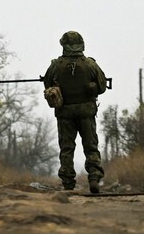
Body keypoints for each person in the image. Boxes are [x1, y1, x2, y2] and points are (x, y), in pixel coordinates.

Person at [43, 30, 108, 193]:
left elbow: (47, 85)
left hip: (65, 113)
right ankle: (94, 177)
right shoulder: (90, 64)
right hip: (86, 112)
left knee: (67, 147)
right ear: (81, 44)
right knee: (91, 146)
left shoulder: (56, 65)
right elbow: (101, 86)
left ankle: (68, 182)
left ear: (64, 45)